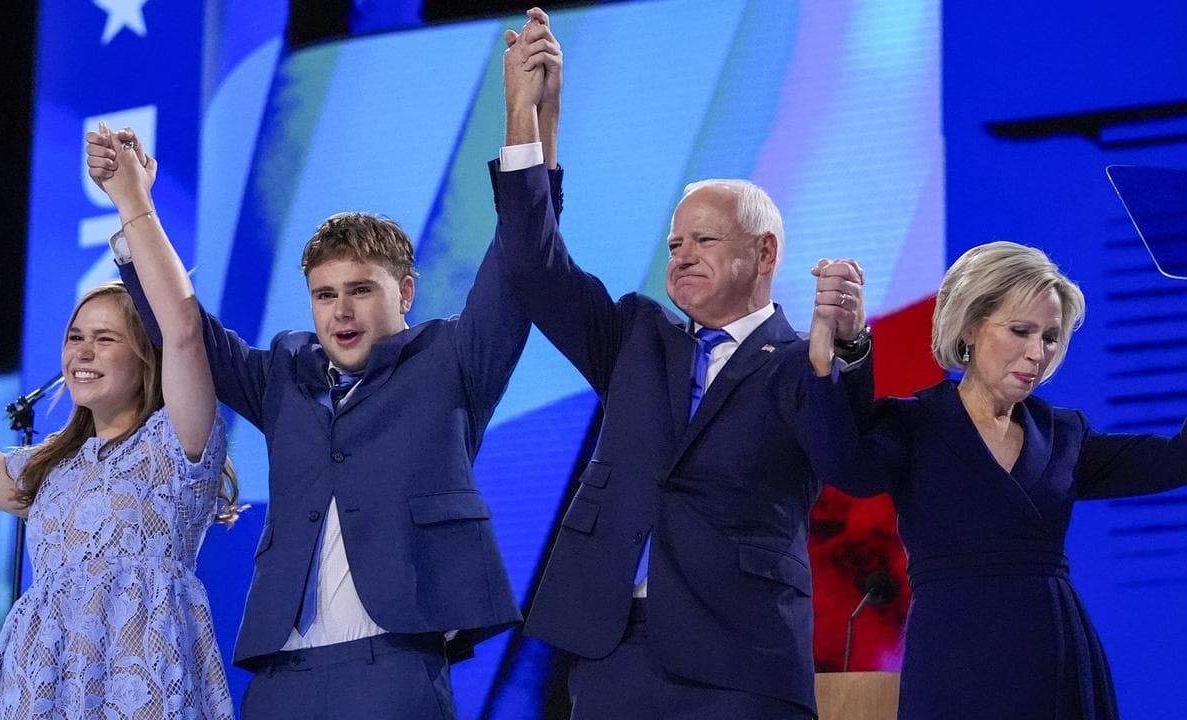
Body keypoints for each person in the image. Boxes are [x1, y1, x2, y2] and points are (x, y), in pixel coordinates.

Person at [83, 14, 563, 718]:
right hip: (281, 677)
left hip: (396, 667)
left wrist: (525, 114)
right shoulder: (285, 372)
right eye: (325, 295)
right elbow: (178, 326)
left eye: (361, 291)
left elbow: (522, 255)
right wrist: (136, 208)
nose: (340, 311)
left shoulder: (454, 358)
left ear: (404, 292)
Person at [490, 10, 875, 719]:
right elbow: (535, 267)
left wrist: (846, 349)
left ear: (764, 254)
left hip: (740, 666)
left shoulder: (798, 366)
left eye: (703, 239)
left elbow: (850, 457)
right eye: (673, 245)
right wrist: (531, 117)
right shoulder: (638, 336)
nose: (681, 257)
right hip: (611, 656)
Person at [0, 130, 237, 718]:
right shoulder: (49, 468)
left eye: (105, 339)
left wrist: (133, 203)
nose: (81, 352)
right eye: (74, 338)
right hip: (43, 689)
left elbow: (183, 328)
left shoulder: (177, 446)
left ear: (145, 358)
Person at [811, 240, 1187, 719]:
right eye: (1020, 331)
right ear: (969, 327)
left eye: (1050, 338)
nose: (1037, 353)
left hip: (1053, 658)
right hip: (953, 660)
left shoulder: (1064, 434)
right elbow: (844, 464)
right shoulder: (915, 425)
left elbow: (1177, 460)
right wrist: (840, 345)